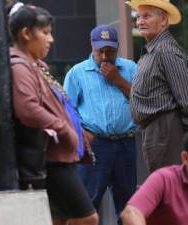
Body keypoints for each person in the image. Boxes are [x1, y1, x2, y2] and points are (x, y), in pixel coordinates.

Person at [8, 4, 98, 225]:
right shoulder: (20, 66)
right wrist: (64, 128)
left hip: (58, 156)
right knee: (88, 218)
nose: (51, 40)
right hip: (51, 159)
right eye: (45, 33)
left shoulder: (36, 65)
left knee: (58, 218)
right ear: (26, 33)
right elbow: (27, 109)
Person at [63, 24, 137, 224]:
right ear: (92, 46)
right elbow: (67, 112)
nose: (105, 56)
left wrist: (117, 79)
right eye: (100, 51)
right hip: (95, 145)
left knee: (128, 204)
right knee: (87, 204)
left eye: (110, 51)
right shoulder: (77, 73)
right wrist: (81, 137)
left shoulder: (131, 68)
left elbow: (142, 101)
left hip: (125, 144)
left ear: (118, 47)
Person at [126, 0, 188, 173]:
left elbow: (187, 94)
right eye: (138, 17)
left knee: (171, 187)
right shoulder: (153, 49)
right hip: (156, 131)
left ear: (163, 20)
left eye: (146, 16)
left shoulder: (166, 49)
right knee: (165, 187)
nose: (139, 22)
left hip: (167, 131)